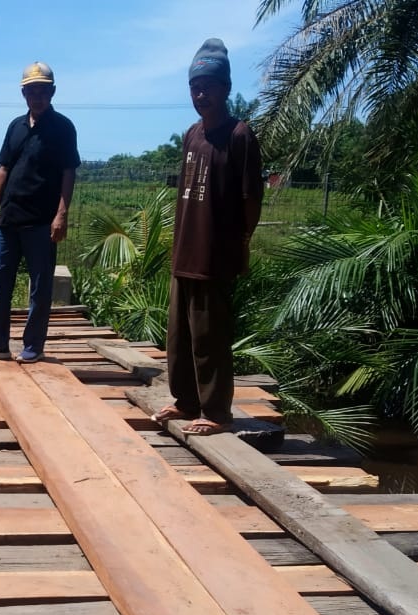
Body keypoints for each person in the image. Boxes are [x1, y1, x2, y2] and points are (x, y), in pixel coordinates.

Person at [152, 39, 263, 436]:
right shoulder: (191, 136)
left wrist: (242, 243)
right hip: (185, 250)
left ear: (225, 88)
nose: (201, 94)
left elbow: (251, 198)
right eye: (195, 87)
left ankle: (217, 412)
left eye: (208, 86)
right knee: (179, 337)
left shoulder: (239, 135)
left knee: (209, 337)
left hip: (215, 253)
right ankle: (185, 402)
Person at [0, 61, 79, 364]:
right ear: (24, 94)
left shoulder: (63, 128)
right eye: (32, 91)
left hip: (41, 223)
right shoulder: (15, 126)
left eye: (43, 91)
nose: (37, 97)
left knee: (40, 286)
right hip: (10, 219)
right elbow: (4, 168)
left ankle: (33, 346)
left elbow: (69, 172)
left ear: (52, 92)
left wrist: (61, 214)